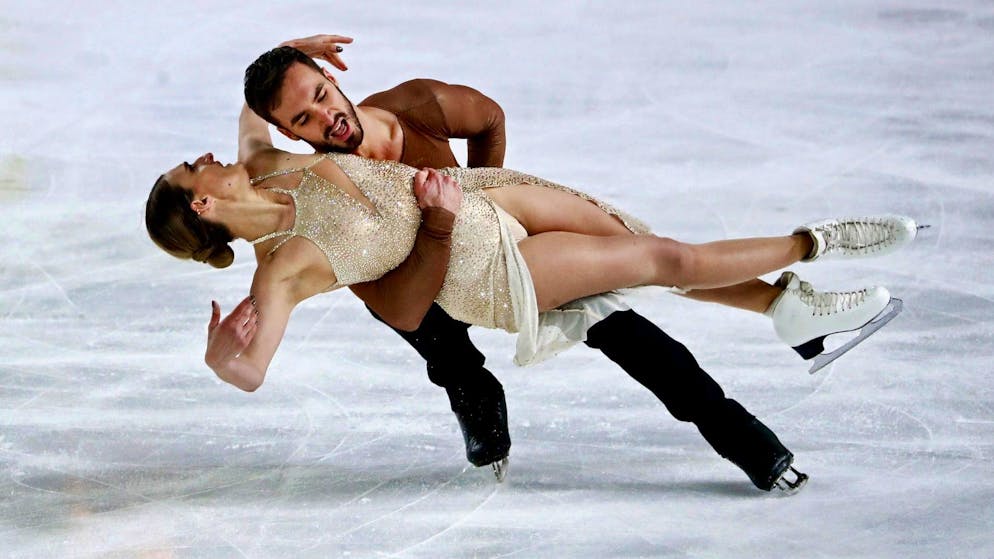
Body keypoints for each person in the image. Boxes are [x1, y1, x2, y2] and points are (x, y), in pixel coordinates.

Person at [145, 61, 917, 491]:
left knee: (649, 257)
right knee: (467, 345)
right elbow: (275, 349)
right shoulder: (282, 245)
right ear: (290, 134)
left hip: (485, 212)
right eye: (305, 119)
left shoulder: (360, 125)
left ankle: (793, 310)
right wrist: (223, 353)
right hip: (437, 277)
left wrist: (485, 195)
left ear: (335, 81)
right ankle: (777, 358)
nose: (323, 121)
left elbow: (481, 120)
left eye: (321, 96)